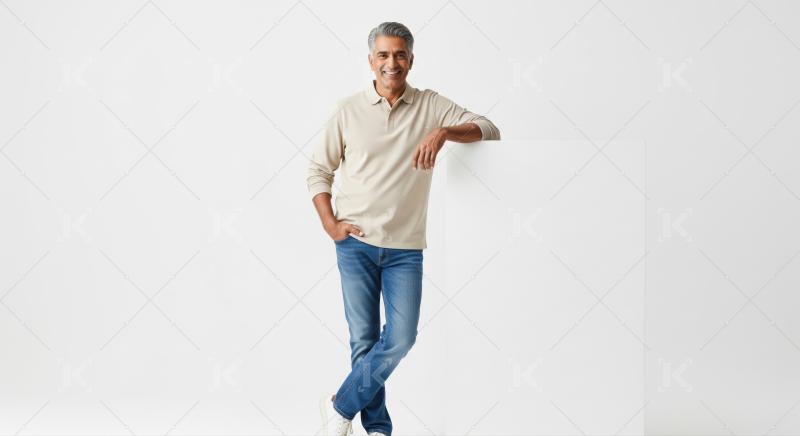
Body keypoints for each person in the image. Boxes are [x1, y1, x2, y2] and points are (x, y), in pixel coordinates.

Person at [306, 21, 501, 436]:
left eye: (399, 55)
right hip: (354, 244)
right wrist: (330, 225)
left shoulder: (430, 106)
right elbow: (319, 171)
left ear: (411, 60)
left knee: (400, 338)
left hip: (405, 249)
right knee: (363, 340)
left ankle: (339, 405)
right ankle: (377, 428)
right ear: (371, 61)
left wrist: (445, 131)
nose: (391, 63)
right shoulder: (347, 111)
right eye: (383, 55)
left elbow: (489, 128)